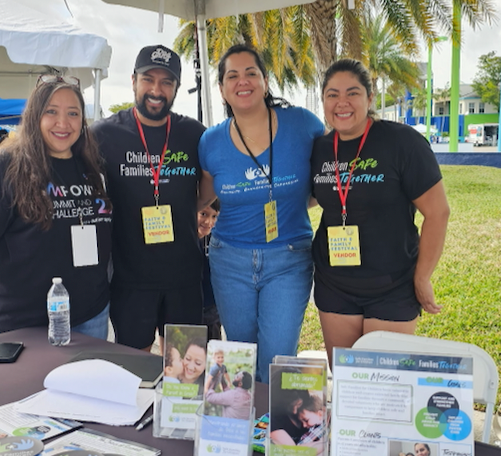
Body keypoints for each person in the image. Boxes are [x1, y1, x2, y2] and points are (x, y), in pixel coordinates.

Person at [0, 74, 113, 344]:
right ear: (35, 116)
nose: (63, 122)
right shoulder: (4, 167)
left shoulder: (91, 166)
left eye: (73, 113)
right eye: (51, 112)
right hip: (15, 324)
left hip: (87, 319)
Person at [198, 44, 325, 383]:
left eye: (251, 72)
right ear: (223, 88)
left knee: (276, 360)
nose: (243, 81)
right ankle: (240, 429)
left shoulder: (303, 125)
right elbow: (205, 197)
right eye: (232, 75)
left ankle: (275, 433)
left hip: (288, 258)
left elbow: (329, 177)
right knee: (238, 359)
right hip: (229, 260)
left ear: (265, 81)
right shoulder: (211, 141)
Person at [310, 59, 450, 364]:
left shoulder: (402, 143)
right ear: (323, 101)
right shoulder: (320, 148)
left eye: (353, 93)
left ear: (370, 98)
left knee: (386, 385)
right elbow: (310, 196)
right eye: (332, 94)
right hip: (335, 285)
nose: (342, 103)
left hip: (393, 285)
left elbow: (438, 212)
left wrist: (423, 277)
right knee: (347, 382)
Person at [90, 44, 208, 351]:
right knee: (136, 370)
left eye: (166, 82)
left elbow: (212, 181)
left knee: (184, 370)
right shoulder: (103, 134)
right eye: (148, 79)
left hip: (183, 275)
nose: (156, 90)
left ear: (176, 88)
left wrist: (195, 208)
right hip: (130, 278)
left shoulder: (194, 134)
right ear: (133, 81)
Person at [199, 200, 222, 340]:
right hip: (184, 306)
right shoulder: (183, 238)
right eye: (203, 214)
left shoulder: (216, 239)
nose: (209, 222)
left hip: (211, 306)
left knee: (212, 350)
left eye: (214, 216)